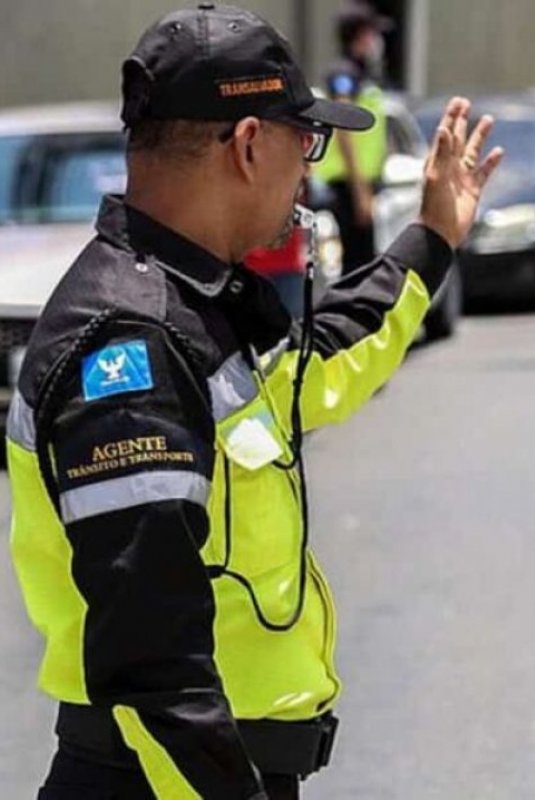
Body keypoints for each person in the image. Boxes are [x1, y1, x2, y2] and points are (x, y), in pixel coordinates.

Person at [5, 3, 501, 798]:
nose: (307, 173)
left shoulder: (191, 303)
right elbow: (155, 673)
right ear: (246, 145)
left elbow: (324, 365)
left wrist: (432, 238)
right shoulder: (130, 344)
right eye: (303, 141)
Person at [313, 2, 394, 271]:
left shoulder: (362, 74)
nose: (376, 41)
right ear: (361, 34)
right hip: (346, 185)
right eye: (373, 33)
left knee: (364, 261)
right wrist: (360, 190)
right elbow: (344, 129)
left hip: (359, 183)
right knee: (356, 266)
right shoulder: (344, 73)